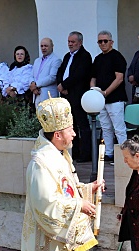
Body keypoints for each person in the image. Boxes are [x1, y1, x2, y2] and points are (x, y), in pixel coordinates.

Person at [17, 96, 105, 251]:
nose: (75, 134)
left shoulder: (59, 155)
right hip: (52, 238)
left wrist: (87, 189)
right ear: (57, 134)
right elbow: (45, 204)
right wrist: (80, 206)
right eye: (70, 130)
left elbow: (67, 189)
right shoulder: (41, 163)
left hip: (64, 235)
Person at [90, 30, 128, 162]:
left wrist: (105, 92)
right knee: (105, 127)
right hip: (101, 100)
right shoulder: (98, 58)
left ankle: (124, 155)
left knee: (119, 128)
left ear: (111, 42)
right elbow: (93, 78)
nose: (103, 43)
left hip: (115, 99)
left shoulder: (117, 57)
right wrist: (93, 91)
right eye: (100, 41)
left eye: (105, 41)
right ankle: (109, 153)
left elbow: (119, 78)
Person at [56, 32, 93, 162]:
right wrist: (60, 84)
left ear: (80, 42)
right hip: (66, 95)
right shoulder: (67, 56)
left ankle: (86, 154)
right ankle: (75, 152)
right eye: (69, 42)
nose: (70, 44)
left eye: (73, 42)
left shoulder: (85, 56)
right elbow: (61, 71)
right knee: (71, 125)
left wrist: (65, 85)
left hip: (78, 95)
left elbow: (79, 75)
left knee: (82, 125)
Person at [30, 38, 62, 106]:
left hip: (48, 96)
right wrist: (32, 85)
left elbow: (52, 77)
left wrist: (36, 85)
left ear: (52, 46)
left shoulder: (56, 60)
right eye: (41, 46)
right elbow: (31, 76)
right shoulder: (37, 61)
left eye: (46, 46)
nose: (43, 48)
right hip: (36, 94)